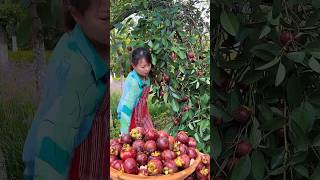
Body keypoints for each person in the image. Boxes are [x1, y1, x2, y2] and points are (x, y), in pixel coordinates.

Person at [22, 0, 108, 179]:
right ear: (76, 15)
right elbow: (53, 148)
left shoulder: (101, 46)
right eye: (106, 17)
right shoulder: (73, 68)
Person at [117, 47, 154, 134]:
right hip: (129, 115)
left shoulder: (146, 78)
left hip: (143, 112)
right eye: (143, 67)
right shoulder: (133, 83)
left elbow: (143, 100)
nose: (147, 69)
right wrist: (124, 133)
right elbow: (127, 107)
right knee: (135, 142)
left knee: (151, 135)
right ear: (134, 66)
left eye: (149, 65)